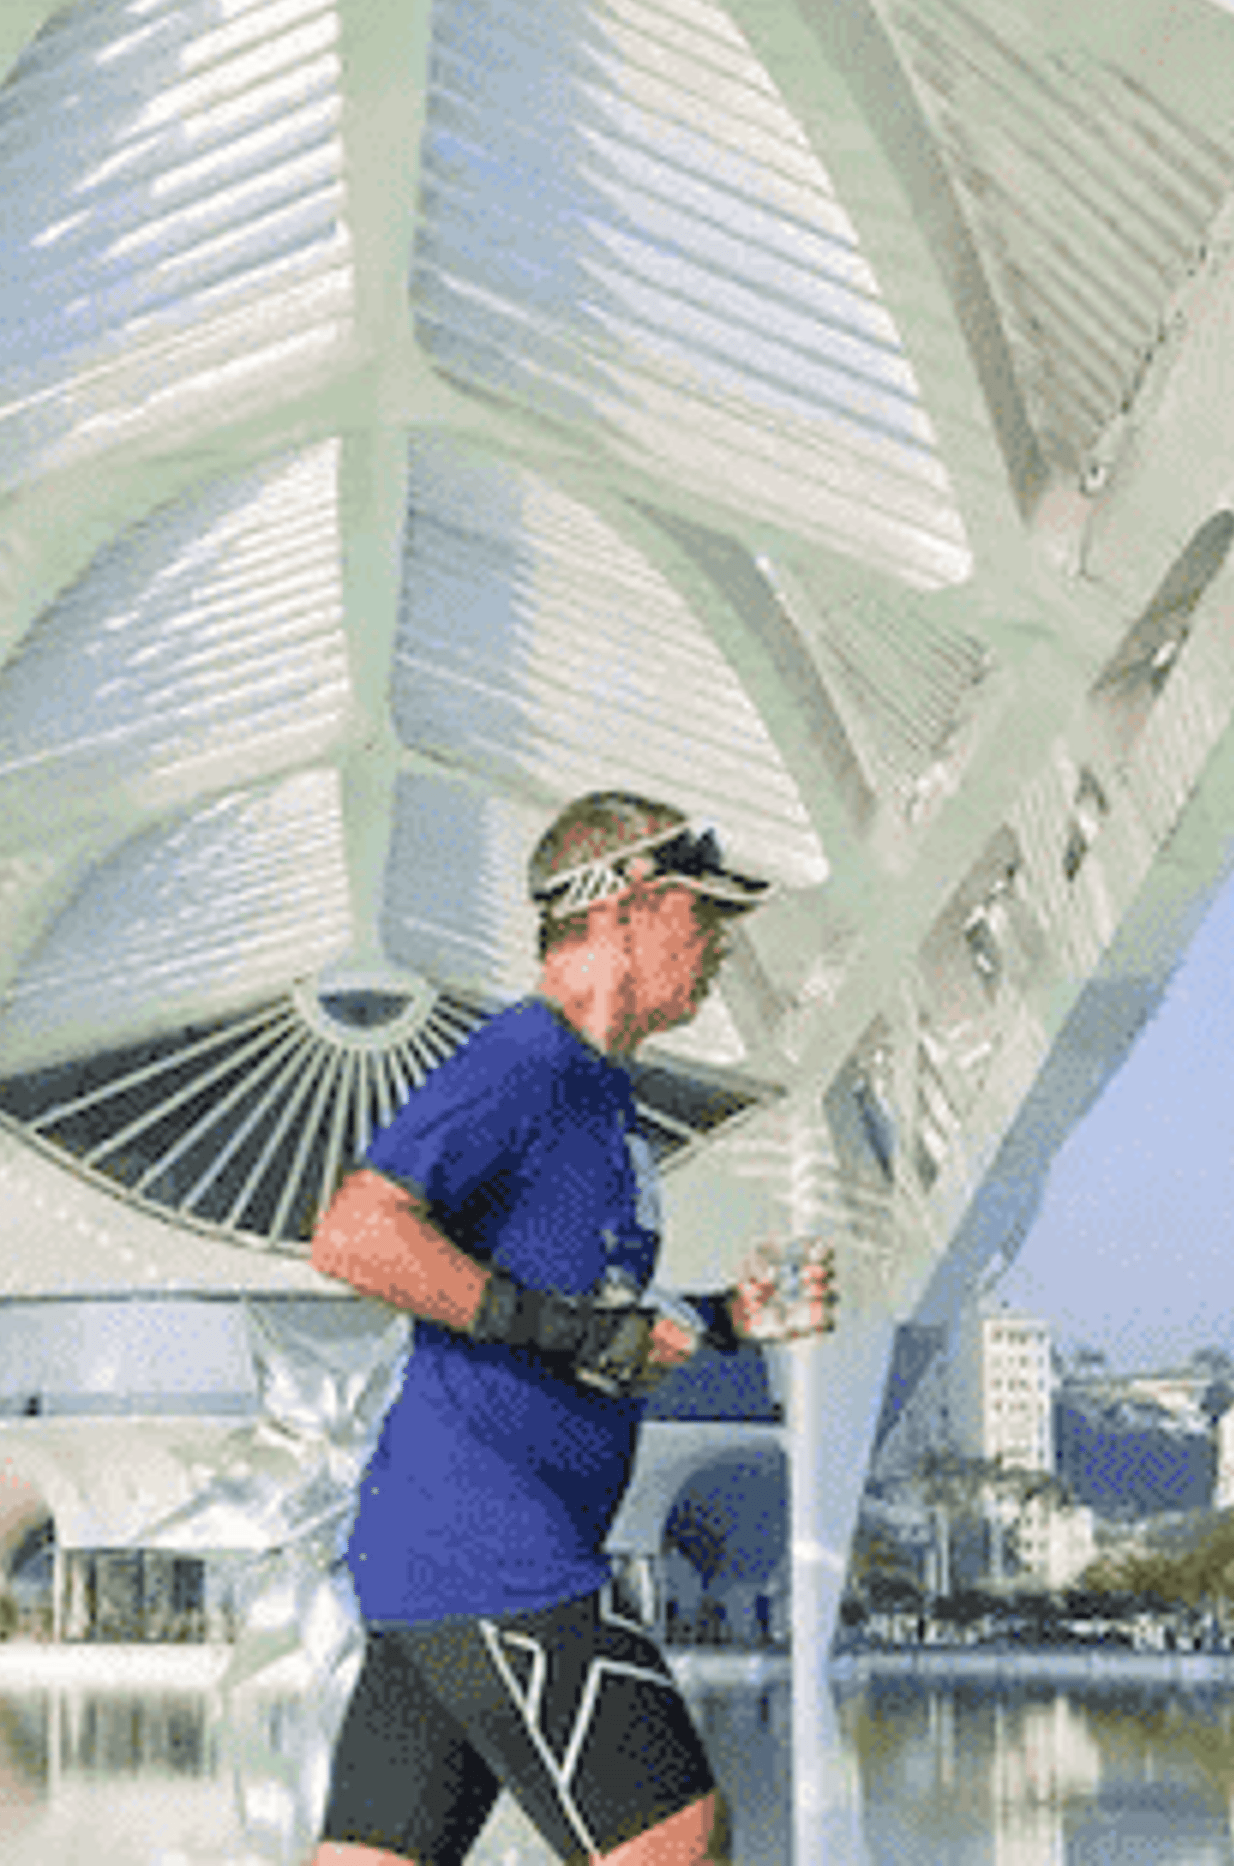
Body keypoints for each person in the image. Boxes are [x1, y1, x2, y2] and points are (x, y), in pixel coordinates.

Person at [304, 792, 839, 1866]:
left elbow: (592, 1329)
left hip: (442, 1554)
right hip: (492, 1548)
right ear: (626, 907)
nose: (722, 944)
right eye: (704, 914)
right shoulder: (526, 1062)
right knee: (672, 1839)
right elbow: (355, 1233)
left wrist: (728, 1321)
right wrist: (579, 1335)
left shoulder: (600, 1100)